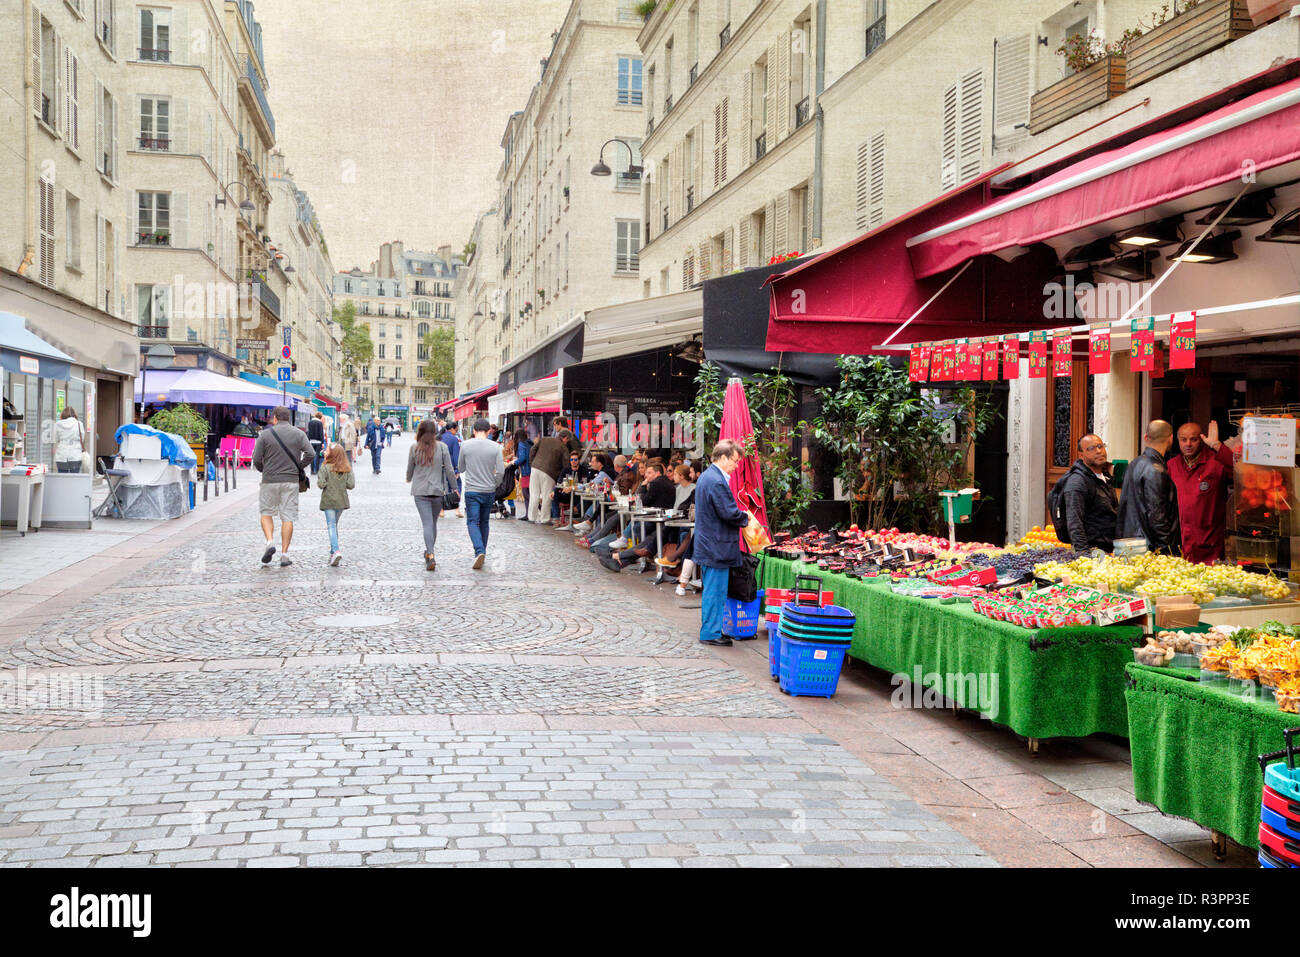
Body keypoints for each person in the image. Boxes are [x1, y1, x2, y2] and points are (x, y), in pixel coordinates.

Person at [694, 440, 755, 647]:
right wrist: (745, 517)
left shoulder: (707, 477)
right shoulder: (717, 481)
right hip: (716, 547)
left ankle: (712, 629)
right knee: (715, 592)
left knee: (713, 590)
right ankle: (710, 633)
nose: (736, 466)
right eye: (735, 461)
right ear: (723, 457)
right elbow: (728, 512)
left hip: (710, 544)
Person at [252, 405, 314, 567]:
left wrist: (263, 470)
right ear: (289, 418)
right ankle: (285, 555)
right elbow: (311, 454)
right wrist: (299, 466)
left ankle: (270, 541)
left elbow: (256, 458)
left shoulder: (265, 435)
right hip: (290, 481)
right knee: (288, 516)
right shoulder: (299, 434)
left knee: (266, 512)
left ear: (274, 418)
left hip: (269, 480)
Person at [1170, 420, 1239, 564]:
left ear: (1201, 440)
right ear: (1178, 441)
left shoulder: (1216, 462)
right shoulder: (1171, 465)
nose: (1188, 444)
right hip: (1180, 545)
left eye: (1193, 439)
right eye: (1184, 440)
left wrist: (1216, 445)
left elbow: (1240, 471)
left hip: (1210, 546)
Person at [598, 462, 677, 572]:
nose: (646, 475)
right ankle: (620, 561)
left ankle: (617, 556)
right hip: (660, 520)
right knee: (642, 533)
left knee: (642, 532)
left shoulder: (656, 483)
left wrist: (643, 485)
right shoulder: (668, 483)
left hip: (660, 521)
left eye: (649, 473)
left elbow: (641, 500)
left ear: (657, 473)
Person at [1117, 420, 1180, 555]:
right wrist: (1167, 549)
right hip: (1147, 547)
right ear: (1171, 439)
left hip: (1130, 542)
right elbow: (1157, 514)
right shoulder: (1156, 470)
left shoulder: (1134, 463)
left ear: (1146, 437)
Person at [407, 419, 458, 571]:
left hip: (420, 491)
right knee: (432, 523)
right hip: (437, 491)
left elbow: (410, 468)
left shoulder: (414, 447)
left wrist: (409, 478)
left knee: (426, 523)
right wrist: (455, 488)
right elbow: (449, 470)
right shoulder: (442, 447)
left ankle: (430, 553)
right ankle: (430, 552)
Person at [458, 418, 505, 570]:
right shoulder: (496, 447)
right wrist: (494, 483)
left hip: (472, 489)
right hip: (488, 490)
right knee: (484, 522)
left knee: (472, 521)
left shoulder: (465, 445)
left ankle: (479, 551)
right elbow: (501, 470)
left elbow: (461, 468)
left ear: (474, 430)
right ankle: (481, 552)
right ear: (489, 431)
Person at [1061, 434, 1119, 553]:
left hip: (1110, 550)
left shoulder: (1105, 476)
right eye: (1091, 448)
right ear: (1081, 455)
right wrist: (1084, 556)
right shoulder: (1077, 482)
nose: (1098, 451)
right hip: (1093, 552)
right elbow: (1074, 523)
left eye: (1100, 446)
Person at [317, 443, 355, 566]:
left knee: (331, 525)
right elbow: (351, 485)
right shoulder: (347, 468)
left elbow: (321, 484)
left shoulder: (325, 467)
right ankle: (333, 551)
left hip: (329, 501)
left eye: (327, 450)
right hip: (341, 502)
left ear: (332, 454)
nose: (325, 452)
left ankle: (336, 551)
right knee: (334, 525)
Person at [528, 425, 569, 525]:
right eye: (567, 440)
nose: (567, 442)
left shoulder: (544, 439)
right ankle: (545, 519)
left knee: (534, 494)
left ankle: (531, 517)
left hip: (535, 468)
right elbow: (566, 464)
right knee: (547, 496)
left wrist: (532, 462)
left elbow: (532, 449)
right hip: (549, 473)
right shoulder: (563, 448)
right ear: (565, 438)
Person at [440, 420, 464, 518]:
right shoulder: (454, 439)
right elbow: (456, 455)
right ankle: (457, 510)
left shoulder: (439, 437)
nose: (456, 432)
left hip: (439, 467)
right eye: (456, 430)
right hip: (450, 467)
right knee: (456, 487)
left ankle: (441, 510)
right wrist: (457, 470)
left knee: (442, 488)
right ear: (452, 429)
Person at [54, 406, 87, 473]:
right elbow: (82, 438)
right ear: (74, 414)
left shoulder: (58, 424)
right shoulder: (79, 424)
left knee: (62, 478)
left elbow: (56, 438)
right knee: (74, 478)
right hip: (75, 455)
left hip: (61, 455)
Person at [511, 428, 533, 521]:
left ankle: (529, 513)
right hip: (532, 470)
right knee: (530, 493)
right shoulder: (529, 443)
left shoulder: (521, 444)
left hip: (526, 471)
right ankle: (530, 512)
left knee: (526, 493)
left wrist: (514, 463)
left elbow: (523, 457)